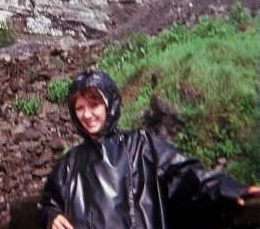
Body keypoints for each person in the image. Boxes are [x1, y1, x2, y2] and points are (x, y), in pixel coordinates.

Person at [38, 69, 260, 229]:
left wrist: (227, 189)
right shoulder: (69, 162)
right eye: (79, 108)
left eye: (94, 104)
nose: (87, 115)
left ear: (110, 105)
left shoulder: (141, 145)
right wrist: (51, 215)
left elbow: (185, 175)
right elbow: (49, 200)